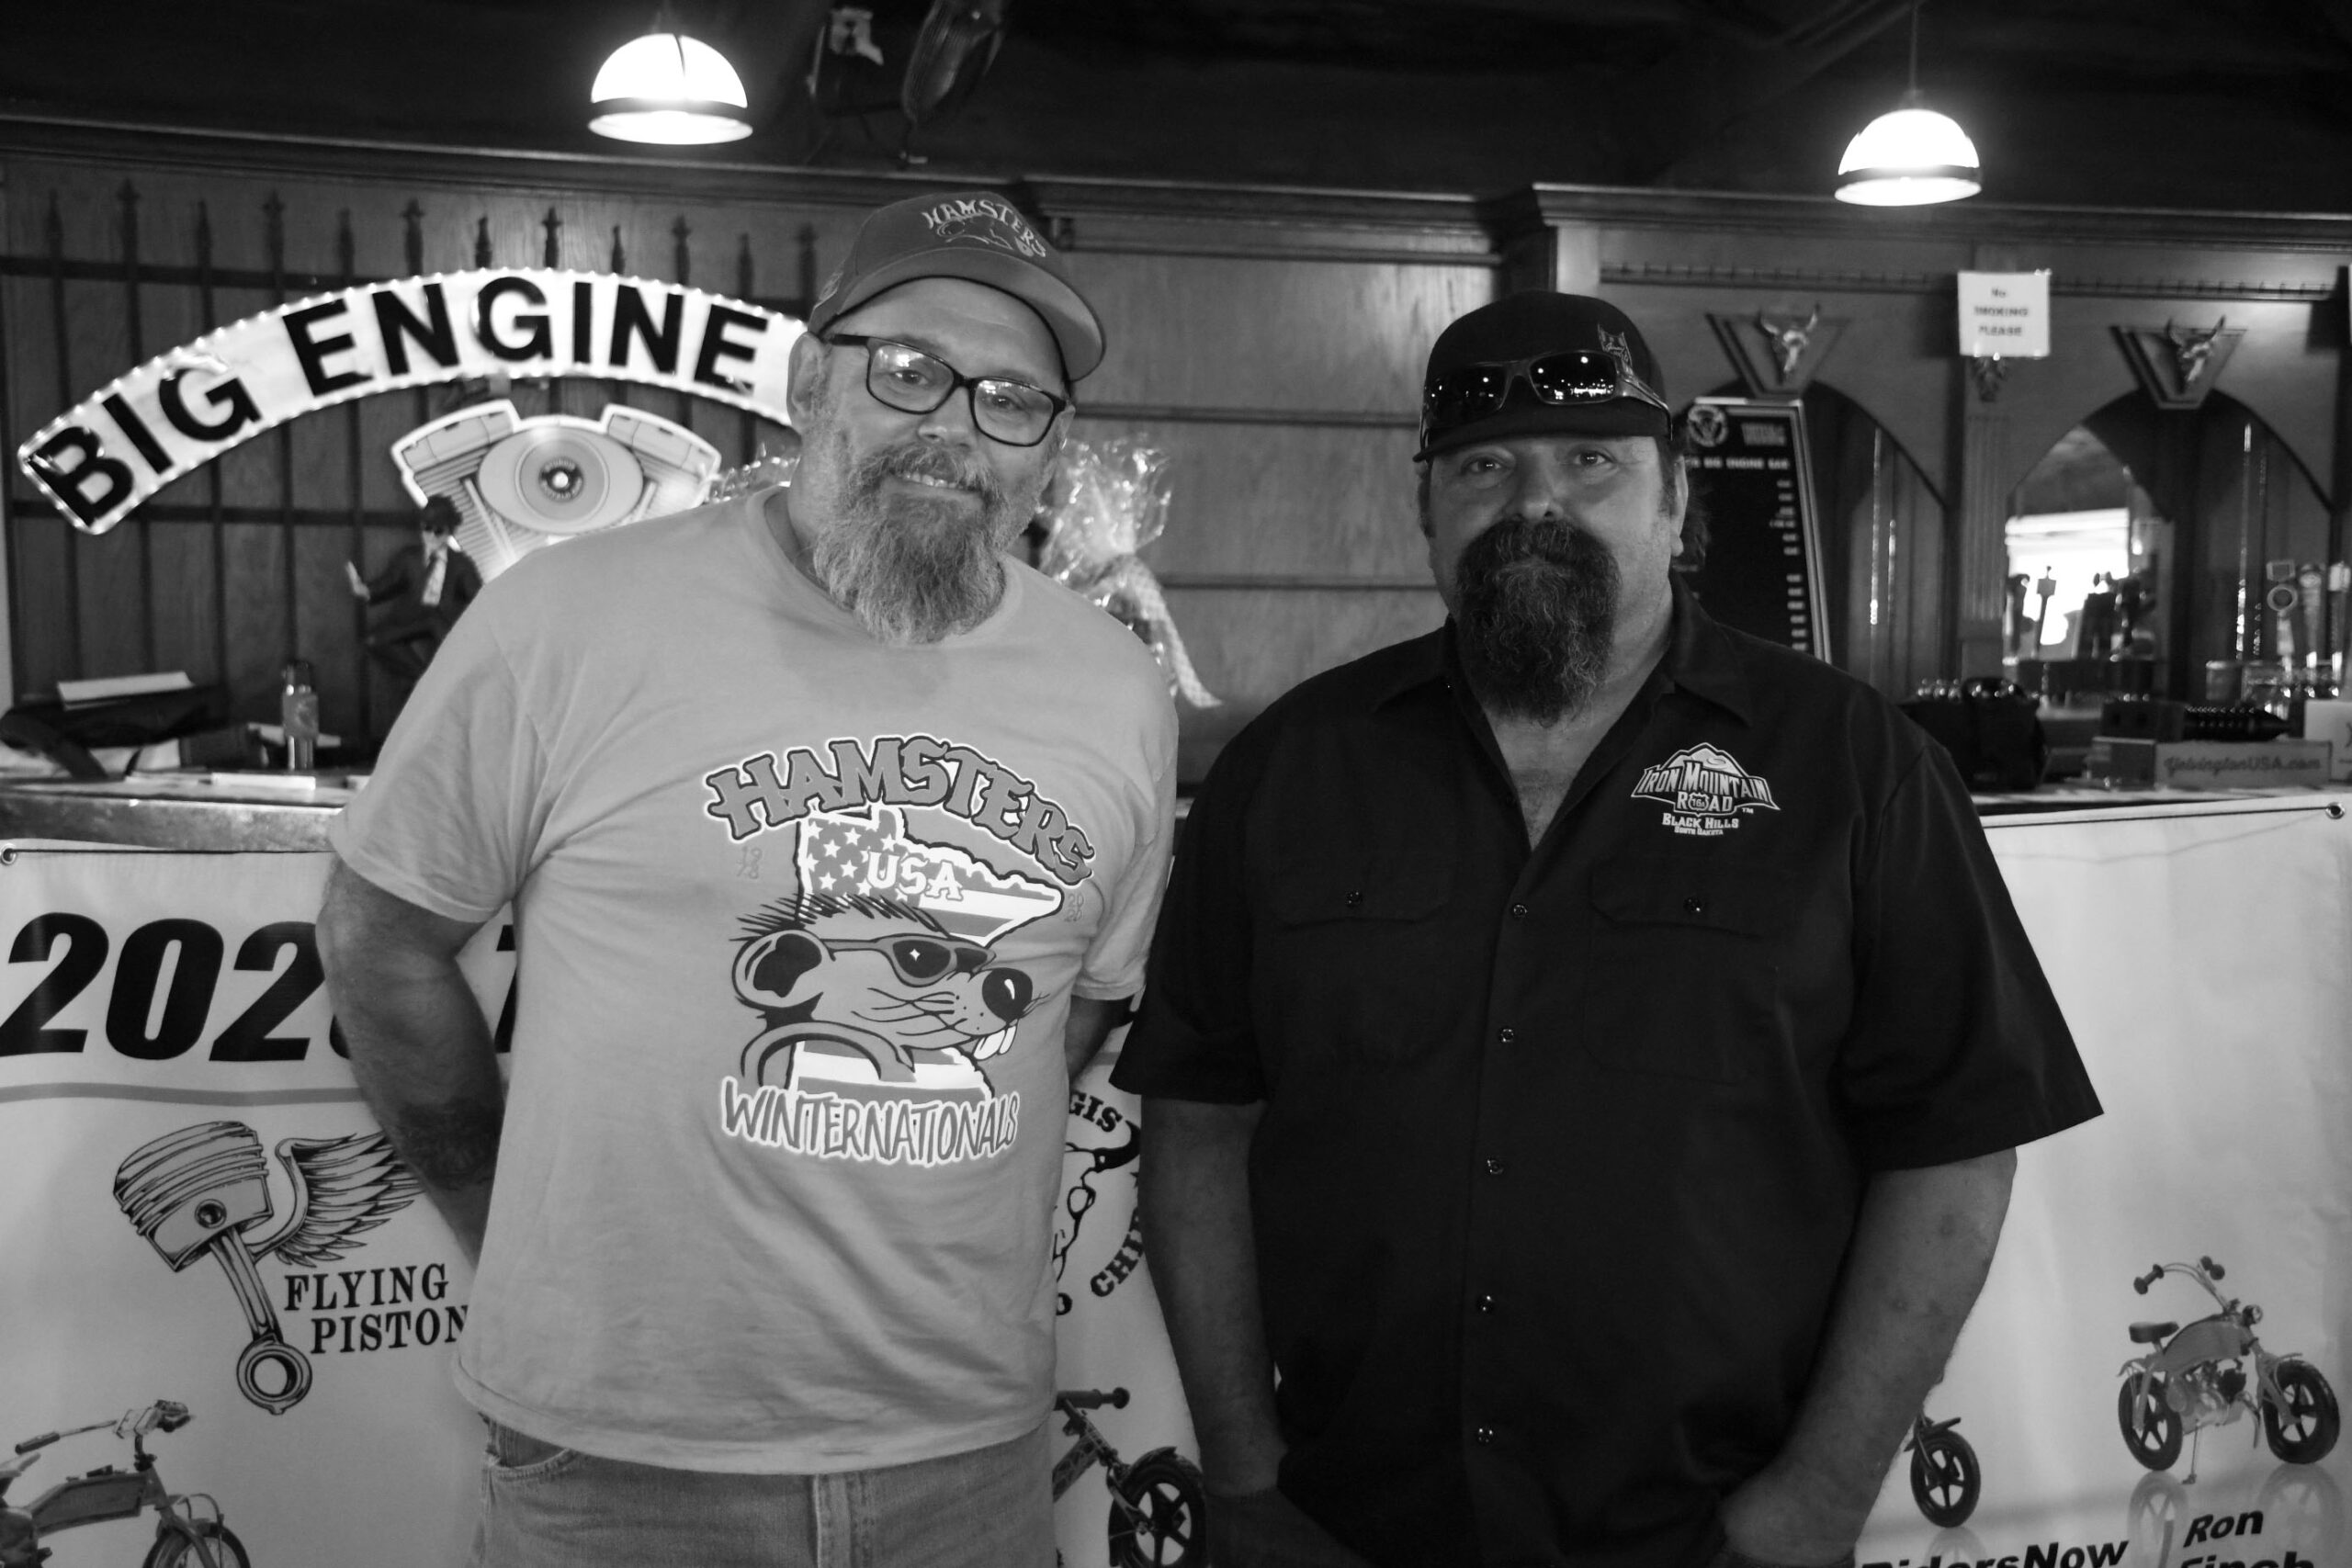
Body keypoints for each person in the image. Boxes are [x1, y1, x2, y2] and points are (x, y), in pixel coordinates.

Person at [1112, 292, 2101, 1568]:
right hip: (1347, 1522)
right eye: (1483, 467)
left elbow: (1954, 1152)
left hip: (1706, 1532)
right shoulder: (1287, 771)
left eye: (1592, 460)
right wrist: (1246, 1474)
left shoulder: (1859, 769)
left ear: (1676, 501)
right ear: (1426, 509)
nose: (1537, 502)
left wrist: (1815, 1501)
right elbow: (1199, 1121)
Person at [317, 190, 1178, 1568]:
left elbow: (1069, 1010)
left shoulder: (1117, 690)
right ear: (806, 380)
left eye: (1013, 399)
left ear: (1049, 451)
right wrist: (493, 1204)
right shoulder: (567, 618)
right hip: (619, 1462)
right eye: (909, 370)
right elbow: (381, 936)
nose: (955, 427)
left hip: (966, 1458)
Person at [345, 493, 482, 680]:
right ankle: (422, 679)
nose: (431, 536)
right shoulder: (409, 557)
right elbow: (389, 581)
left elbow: (478, 596)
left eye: (438, 531)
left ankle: (446, 680)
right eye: (427, 528)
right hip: (414, 616)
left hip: (444, 619)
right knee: (373, 640)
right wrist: (365, 589)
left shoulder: (460, 563)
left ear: (449, 531)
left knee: (459, 654)